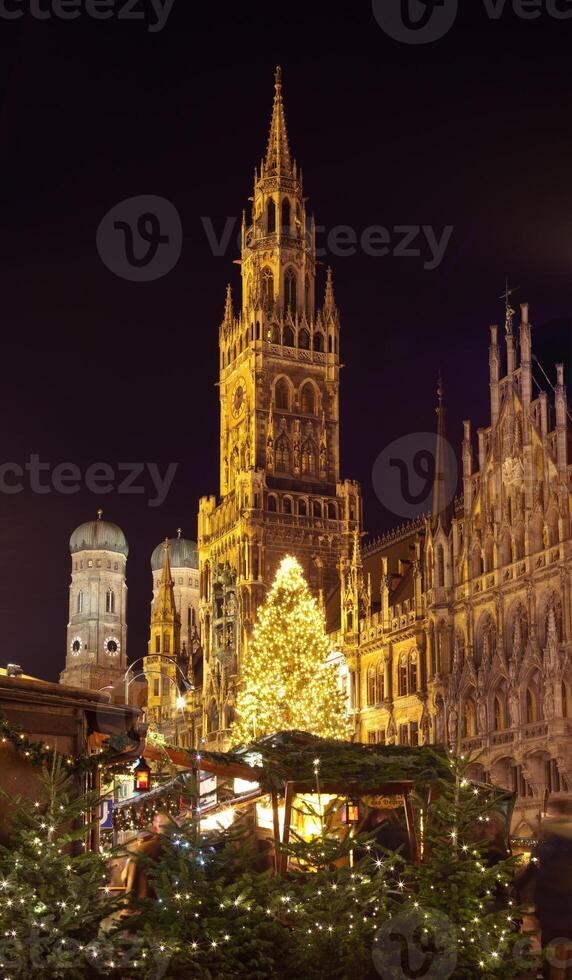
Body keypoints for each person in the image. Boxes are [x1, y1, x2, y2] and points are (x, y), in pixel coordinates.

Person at [516, 799, 572, 980]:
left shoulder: (546, 844)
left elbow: (531, 872)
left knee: (554, 955)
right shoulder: (549, 843)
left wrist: (513, 885)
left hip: (553, 909)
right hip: (560, 908)